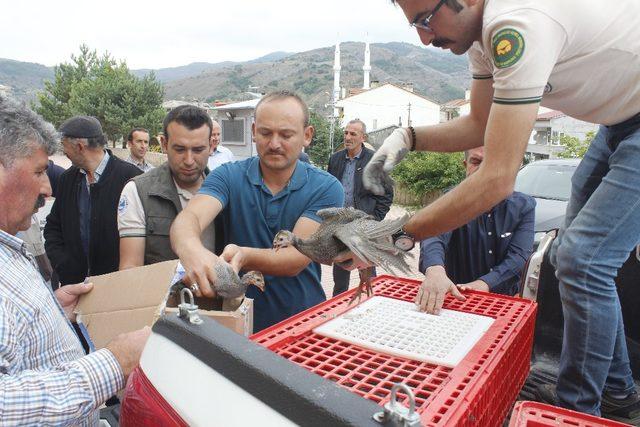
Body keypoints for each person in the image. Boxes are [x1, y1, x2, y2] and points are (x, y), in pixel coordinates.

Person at [358, 0, 640, 419]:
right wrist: (407, 137)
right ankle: (619, 389)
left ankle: (574, 410)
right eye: (414, 24)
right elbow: (478, 124)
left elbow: (497, 177)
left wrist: (395, 237)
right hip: (617, 121)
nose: (423, 37)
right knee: (568, 257)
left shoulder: (517, 23)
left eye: (426, 18)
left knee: (584, 262)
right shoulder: (478, 35)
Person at [0, 95, 149, 425]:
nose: (46, 187)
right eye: (39, 171)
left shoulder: (129, 179)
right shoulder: (68, 181)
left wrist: (51, 312)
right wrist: (114, 364)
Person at [170, 91, 344, 332]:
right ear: (253, 131)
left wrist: (243, 255)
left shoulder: (326, 188)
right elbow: (190, 217)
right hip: (236, 322)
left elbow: (294, 258)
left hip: (303, 323)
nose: (274, 144)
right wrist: (190, 249)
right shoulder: (228, 176)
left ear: (307, 135)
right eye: (265, 133)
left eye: (286, 134)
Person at [419, 146, 535, 296]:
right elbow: (433, 235)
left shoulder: (524, 207)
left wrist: (486, 283)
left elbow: (519, 256)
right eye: (476, 161)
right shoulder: (451, 202)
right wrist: (434, 269)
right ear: (465, 165)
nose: (483, 170)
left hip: (503, 300)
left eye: (491, 163)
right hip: (456, 296)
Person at [44, 116, 142, 285]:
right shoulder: (67, 180)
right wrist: (63, 264)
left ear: (80, 146)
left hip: (116, 288)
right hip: (74, 285)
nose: (64, 152)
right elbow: (53, 227)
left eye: (64, 145)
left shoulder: (132, 179)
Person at [118, 105, 218, 268]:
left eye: (198, 150)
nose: (189, 160)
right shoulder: (137, 192)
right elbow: (130, 268)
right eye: (180, 149)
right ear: (164, 144)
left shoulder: (227, 190)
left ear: (211, 144)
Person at [327, 119, 393, 296]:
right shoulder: (335, 160)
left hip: (364, 228)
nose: (347, 137)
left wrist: (374, 220)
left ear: (363, 137)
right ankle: (338, 307)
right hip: (340, 227)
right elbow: (328, 190)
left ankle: (371, 304)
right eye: (346, 133)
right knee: (340, 275)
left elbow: (387, 195)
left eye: (353, 134)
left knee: (368, 274)